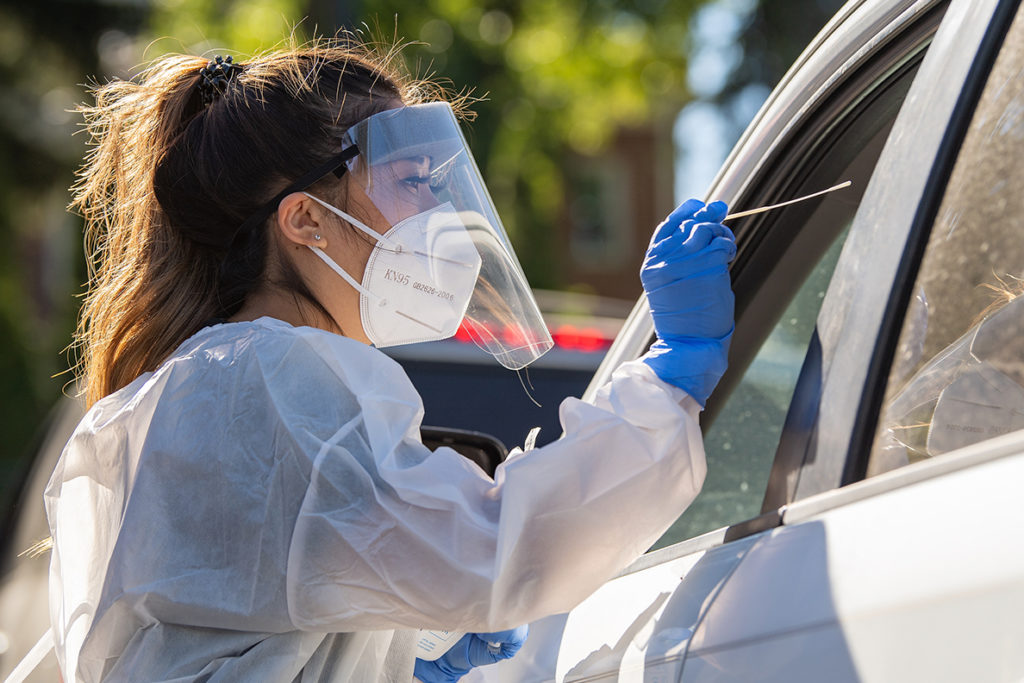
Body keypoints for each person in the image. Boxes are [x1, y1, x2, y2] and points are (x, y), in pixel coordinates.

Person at [42, 37, 736, 683]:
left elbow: (251, 615)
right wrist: (667, 379)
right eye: (414, 179)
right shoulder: (277, 376)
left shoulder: (209, 378)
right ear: (306, 221)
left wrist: (398, 650)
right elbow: (501, 548)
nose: (439, 209)